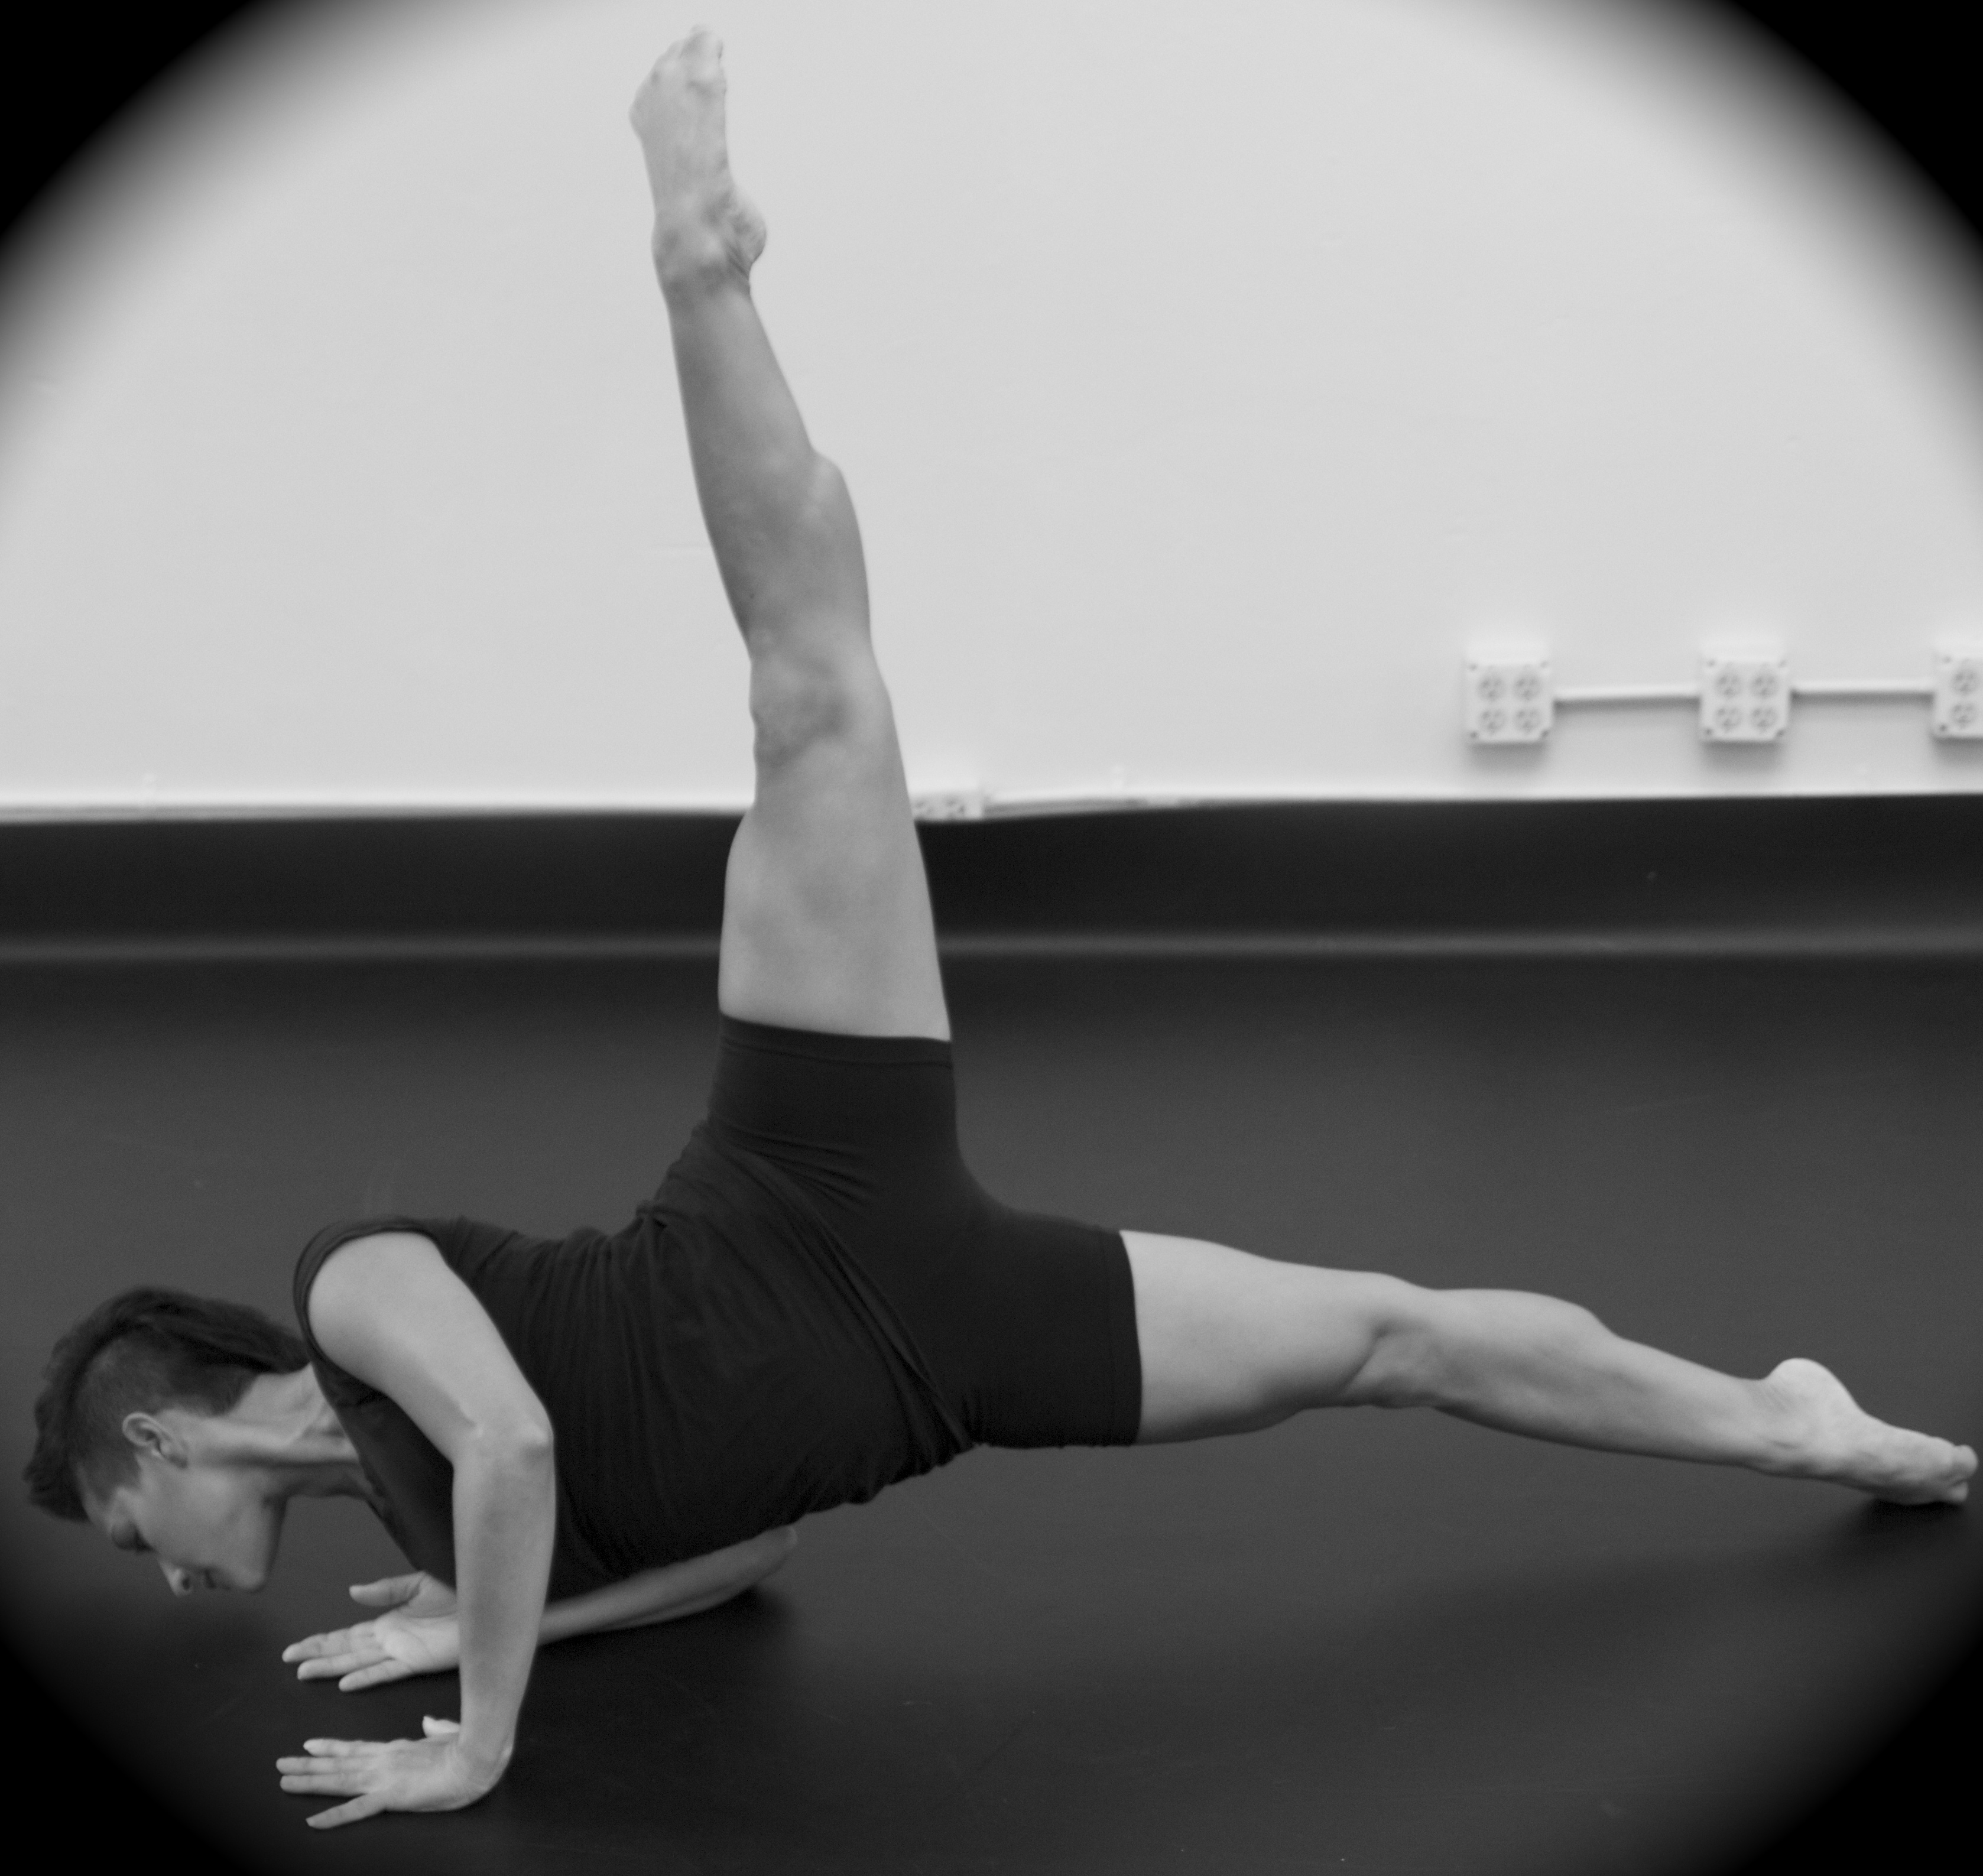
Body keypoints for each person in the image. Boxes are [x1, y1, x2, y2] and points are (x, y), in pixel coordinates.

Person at [24, 30, 1975, 1835]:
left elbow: (524, 1441)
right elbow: (744, 1546)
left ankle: (702, 269)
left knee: (816, 703)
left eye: (127, 1533)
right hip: (943, 1351)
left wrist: (483, 1724)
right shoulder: (428, 1529)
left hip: (802, 1176)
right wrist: (492, 1611)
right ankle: (1786, 1425)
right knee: (1390, 1336)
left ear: (160, 1436)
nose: (164, 1579)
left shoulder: (353, 1286)